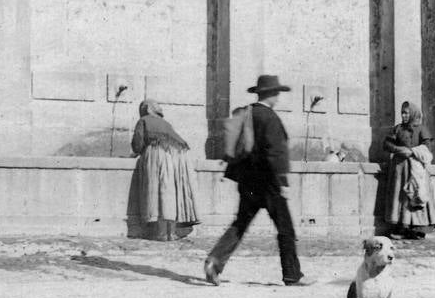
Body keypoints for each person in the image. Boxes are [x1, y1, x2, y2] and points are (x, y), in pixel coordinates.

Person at [204, 74, 305, 286]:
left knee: (240, 224)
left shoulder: (248, 113)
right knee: (285, 228)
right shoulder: (270, 118)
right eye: (276, 93)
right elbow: (276, 153)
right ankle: (292, 275)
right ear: (271, 94)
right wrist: (283, 182)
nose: (278, 97)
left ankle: (214, 260)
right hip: (269, 183)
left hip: (247, 182)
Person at [127, 99, 200, 241]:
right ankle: (170, 233)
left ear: (146, 109)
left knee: (154, 193)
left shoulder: (143, 121)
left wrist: (134, 153)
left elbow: (137, 144)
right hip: (171, 158)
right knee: (168, 193)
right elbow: (180, 143)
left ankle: (159, 233)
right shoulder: (166, 123)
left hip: (154, 156)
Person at [381, 101, 435, 239]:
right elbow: (387, 144)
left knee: (417, 193)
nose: (404, 116)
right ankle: (401, 229)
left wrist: (412, 151)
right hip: (400, 169)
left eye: (406, 113)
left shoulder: (421, 129)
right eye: (402, 113)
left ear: (413, 113)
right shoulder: (398, 129)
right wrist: (399, 149)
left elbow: (427, 147)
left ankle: (418, 229)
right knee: (400, 198)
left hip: (416, 168)